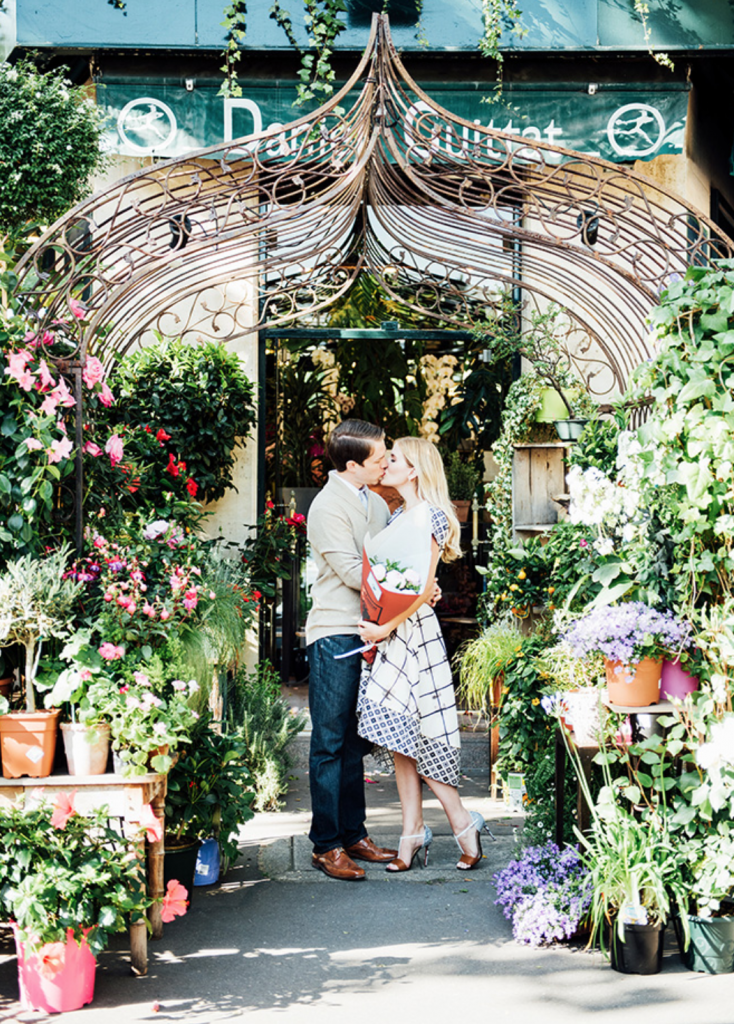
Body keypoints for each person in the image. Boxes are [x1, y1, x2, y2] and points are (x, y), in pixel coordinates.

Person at [356, 437, 492, 872]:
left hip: (410, 634)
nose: (387, 463)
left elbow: (421, 588)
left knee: (423, 734)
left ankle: (461, 822)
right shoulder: (399, 513)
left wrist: (383, 627)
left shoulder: (431, 515)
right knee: (399, 735)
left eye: (393, 458)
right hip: (395, 632)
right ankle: (412, 831)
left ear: (413, 470)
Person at [306, 419, 397, 881]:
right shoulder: (326, 507)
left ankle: (353, 833)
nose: (386, 462)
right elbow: (349, 570)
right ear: (352, 464)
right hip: (335, 631)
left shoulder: (377, 501)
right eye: (379, 458)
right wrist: (407, 592)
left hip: (370, 630)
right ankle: (326, 845)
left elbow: (393, 556)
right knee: (329, 740)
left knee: (354, 743)